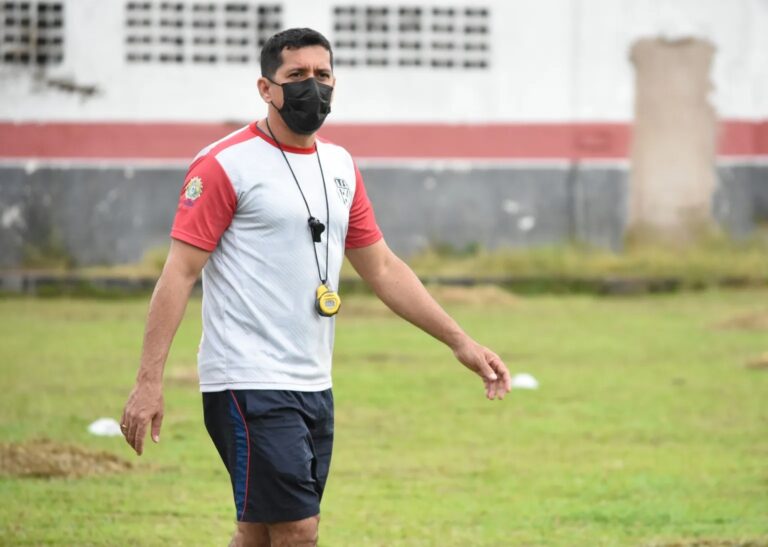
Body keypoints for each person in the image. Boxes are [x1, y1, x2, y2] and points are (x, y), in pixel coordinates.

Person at [120, 27, 512, 547]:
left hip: (313, 381)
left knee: (259, 533)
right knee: (298, 530)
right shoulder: (224, 164)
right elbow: (179, 273)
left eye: (322, 74)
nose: (313, 85)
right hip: (247, 378)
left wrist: (460, 341)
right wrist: (149, 381)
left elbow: (383, 268)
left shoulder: (340, 165)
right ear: (266, 88)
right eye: (297, 75)